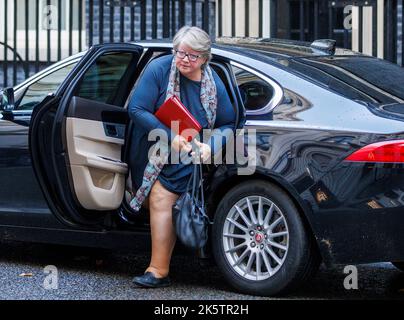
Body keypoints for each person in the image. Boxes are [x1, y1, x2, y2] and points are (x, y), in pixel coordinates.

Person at [127, 26, 236, 288]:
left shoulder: (214, 82)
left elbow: (228, 123)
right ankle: (158, 269)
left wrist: (212, 145)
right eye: (180, 53)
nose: (185, 60)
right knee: (161, 196)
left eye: (192, 56)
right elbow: (136, 108)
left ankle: (159, 269)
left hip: (199, 154)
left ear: (205, 58)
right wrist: (168, 135)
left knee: (162, 196)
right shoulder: (159, 69)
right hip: (161, 148)